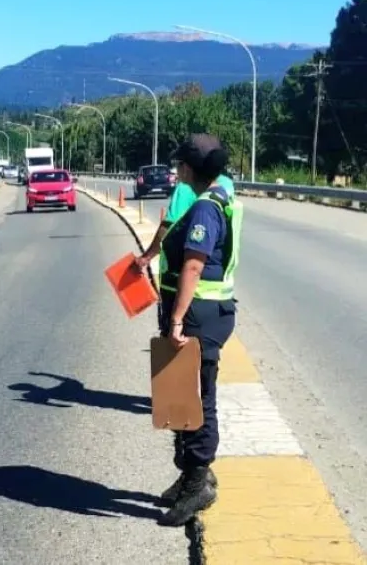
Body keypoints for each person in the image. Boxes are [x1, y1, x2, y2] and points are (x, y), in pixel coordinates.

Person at [151, 134, 243, 527]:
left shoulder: (206, 208)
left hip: (198, 316)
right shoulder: (222, 195)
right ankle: (191, 473)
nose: (176, 171)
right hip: (208, 311)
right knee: (182, 393)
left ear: (189, 168)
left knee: (197, 399)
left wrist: (175, 320)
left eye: (179, 165)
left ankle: (198, 482)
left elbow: (192, 266)